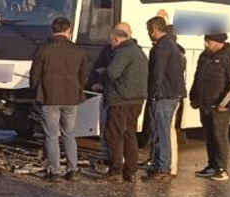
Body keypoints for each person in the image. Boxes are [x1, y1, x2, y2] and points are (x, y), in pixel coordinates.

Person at [29, 17, 89, 182]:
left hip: (49, 97)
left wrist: (35, 91)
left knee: (51, 135)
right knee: (69, 133)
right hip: (71, 97)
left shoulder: (43, 50)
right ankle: (72, 169)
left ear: (52, 30)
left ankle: (55, 171)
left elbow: (34, 75)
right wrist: (78, 86)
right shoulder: (79, 51)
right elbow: (83, 76)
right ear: (69, 31)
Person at [189, 33, 230, 182]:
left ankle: (221, 169)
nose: (206, 45)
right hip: (204, 104)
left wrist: (224, 103)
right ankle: (211, 165)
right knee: (209, 136)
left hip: (221, 107)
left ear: (219, 42)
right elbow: (197, 78)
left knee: (220, 137)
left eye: (209, 42)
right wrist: (194, 97)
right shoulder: (204, 56)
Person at [100, 22, 148, 183]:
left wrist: (102, 73)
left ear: (116, 39)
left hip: (121, 100)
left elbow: (113, 73)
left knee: (114, 135)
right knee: (129, 134)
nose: (110, 45)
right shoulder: (138, 51)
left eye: (111, 41)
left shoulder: (123, 52)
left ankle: (115, 171)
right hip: (137, 100)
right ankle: (131, 171)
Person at [142, 16, 186, 182]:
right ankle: (159, 165)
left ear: (154, 30)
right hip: (169, 94)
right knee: (161, 131)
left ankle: (163, 168)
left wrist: (152, 94)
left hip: (164, 95)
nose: (148, 34)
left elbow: (157, 73)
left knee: (162, 132)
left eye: (149, 30)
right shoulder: (171, 45)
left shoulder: (162, 47)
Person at [86, 39, 114, 166]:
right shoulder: (107, 50)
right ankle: (105, 155)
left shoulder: (127, 53)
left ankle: (113, 158)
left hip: (117, 97)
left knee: (115, 130)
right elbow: (96, 68)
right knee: (105, 127)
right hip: (107, 94)